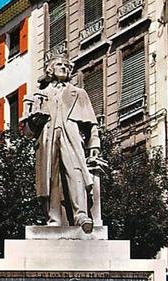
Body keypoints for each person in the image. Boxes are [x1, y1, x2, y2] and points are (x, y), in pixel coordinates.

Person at [22, 55, 107, 233]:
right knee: (50, 178)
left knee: (75, 172)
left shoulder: (79, 93)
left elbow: (91, 122)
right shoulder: (39, 95)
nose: (63, 68)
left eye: (66, 66)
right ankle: (54, 219)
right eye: (59, 65)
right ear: (50, 70)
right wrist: (31, 120)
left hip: (71, 135)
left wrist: (94, 144)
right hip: (47, 136)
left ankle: (81, 215)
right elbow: (27, 132)